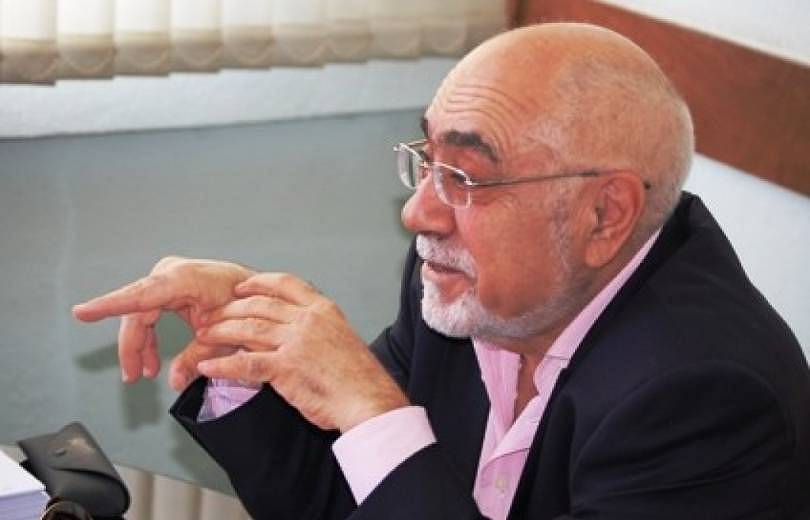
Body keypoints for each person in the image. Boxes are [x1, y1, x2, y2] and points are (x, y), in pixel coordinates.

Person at [73, 23, 810, 519]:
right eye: (428, 160)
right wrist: (251, 341)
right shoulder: (474, 285)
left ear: (604, 215)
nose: (418, 213)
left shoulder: (705, 398)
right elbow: (341, 501)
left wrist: (375, 411)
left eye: (466, 176)